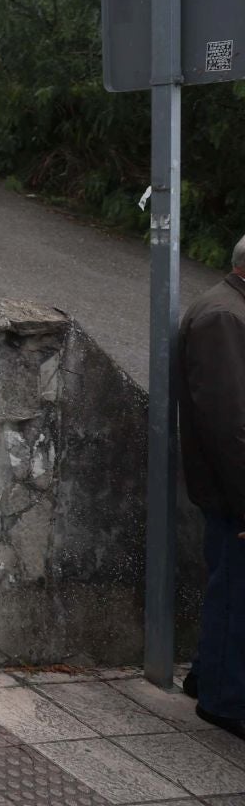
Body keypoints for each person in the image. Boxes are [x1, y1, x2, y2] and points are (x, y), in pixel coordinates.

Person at [177, 234, 245, 741]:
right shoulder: (224, 317)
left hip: (230, 488)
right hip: (233, 491)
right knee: (235, 594)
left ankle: (206, 677)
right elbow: (229, 424)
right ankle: (223, 703)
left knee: (230, 586)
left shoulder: (229, 309)